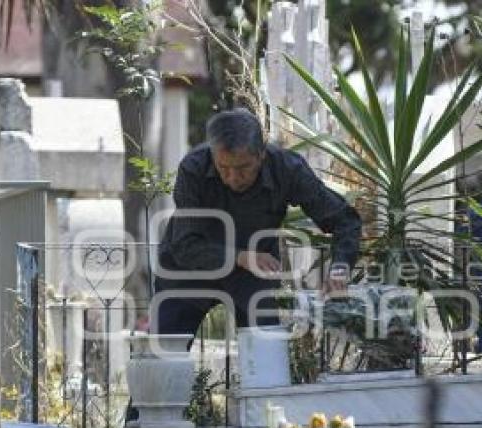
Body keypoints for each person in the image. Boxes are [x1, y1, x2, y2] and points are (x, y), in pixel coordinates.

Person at [153, 109, 362, 337]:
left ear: (261, 155)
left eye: (243, 168)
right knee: (164, 353)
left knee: (266, 357)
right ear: (213, 155)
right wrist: (241, 257)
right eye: (224, 168)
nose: (233, 178)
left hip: (254, 276)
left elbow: (344, 220)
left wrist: (340, 268)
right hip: (189, 272)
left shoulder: (287, 169)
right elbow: (184, 245)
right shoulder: (193, 169)